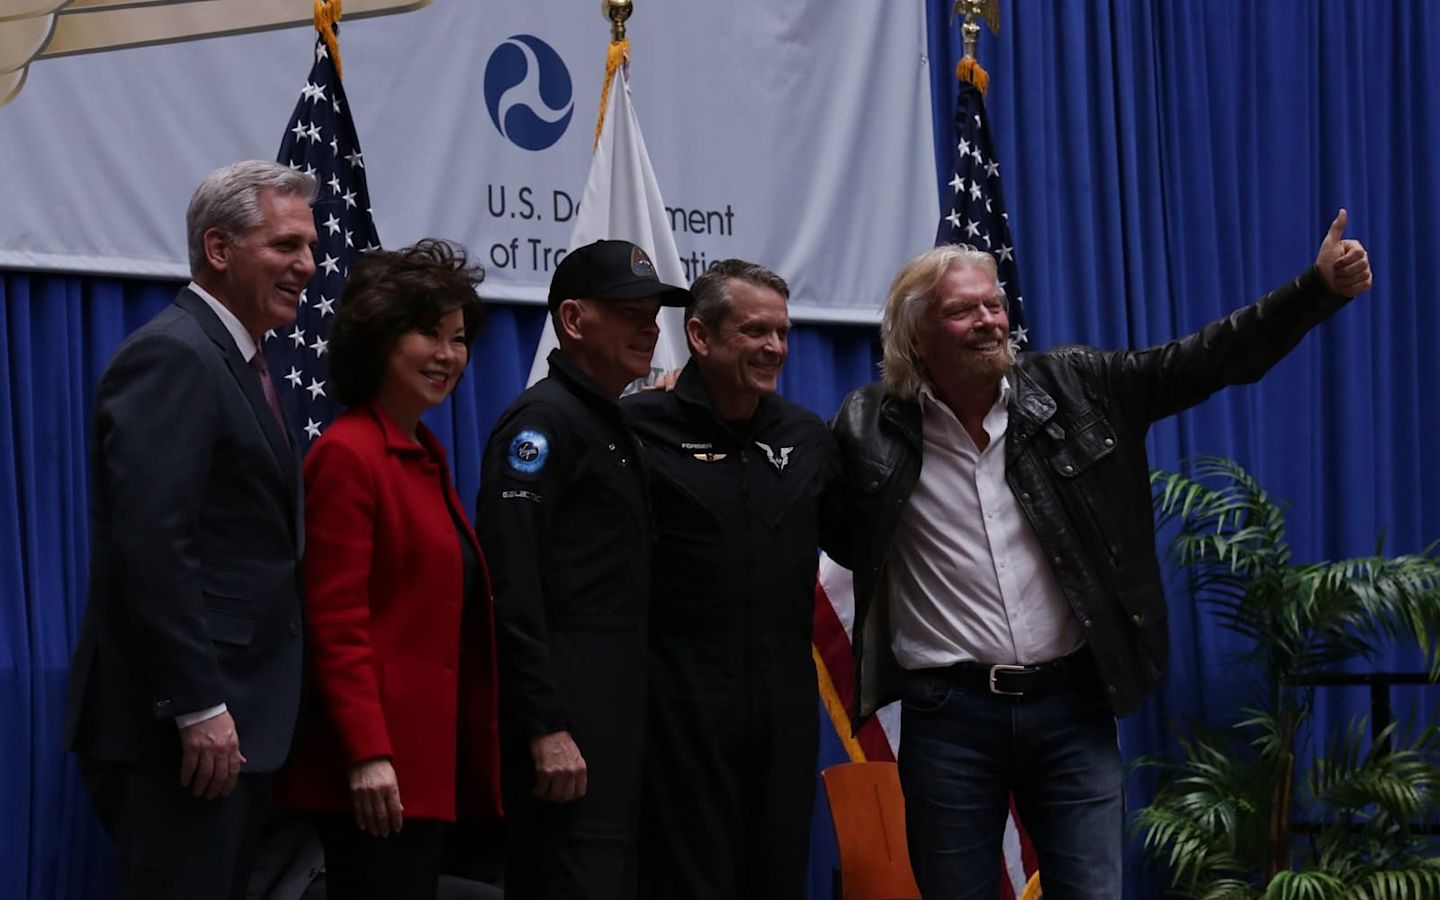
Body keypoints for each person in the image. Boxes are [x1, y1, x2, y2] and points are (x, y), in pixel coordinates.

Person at [830, 212, 1373, 899]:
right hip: (948, 720)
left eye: (993, 305)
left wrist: (1314, 289)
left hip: (1071, 709)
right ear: (916, 336)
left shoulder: (1079, 386)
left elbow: (1205, 359)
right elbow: (816, 517)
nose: (989, 321)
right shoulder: (866, 427)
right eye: (963, 311)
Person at [63, 160, 316, 899]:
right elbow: (152, 547)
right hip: (184, 730)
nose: (307, 265)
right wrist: (198, 704)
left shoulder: (238, 360)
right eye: (286, 245)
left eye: (309, 246)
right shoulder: (176, 355)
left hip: (236, 722)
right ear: (218, 248)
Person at [276, 239, 502, 899]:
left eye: (458, 338)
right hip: (376, 776)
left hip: (428, 768)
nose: (448, 355)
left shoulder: (423, 453)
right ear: (377, 340)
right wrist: (368, 753)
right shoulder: (349, 455)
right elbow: (336, 623)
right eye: (428, 333)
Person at [476, 239, 690, 899]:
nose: (649, 329)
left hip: (615, 716)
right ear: (573, 319)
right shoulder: (543, 423)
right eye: (628, 314)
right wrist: (544, 723)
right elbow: (511, 585)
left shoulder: (607, 421)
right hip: (568, 719)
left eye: (652, 315)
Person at [622, 260, 842, 899]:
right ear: (699, 336)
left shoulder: (806, 435)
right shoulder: (637, 429)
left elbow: (857, 537)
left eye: (782, 332)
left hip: (783, 710)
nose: (774, 347)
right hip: (679, 712)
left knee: (779, 878)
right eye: (754, 331)